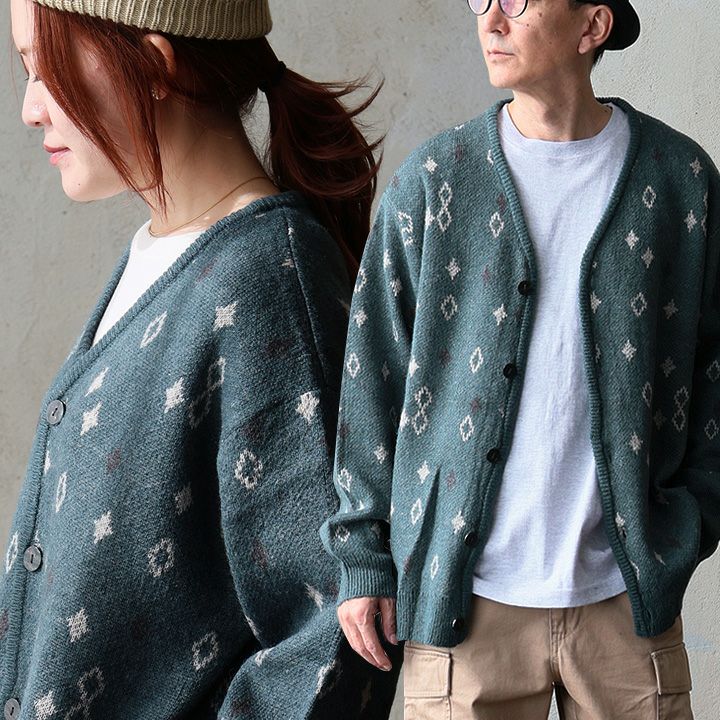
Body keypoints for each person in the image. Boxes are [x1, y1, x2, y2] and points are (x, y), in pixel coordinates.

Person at [1, 0, 401, 717]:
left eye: (45, 69)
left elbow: (334, 639)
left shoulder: (264, 280)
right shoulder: (162, 256)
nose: (31, 110)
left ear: (154, 65)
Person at [322, 0, 720, 717]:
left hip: (626, 607)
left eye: (518, 1)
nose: (490, 20)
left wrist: (690, 521)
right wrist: (363, 556)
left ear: (592, 26)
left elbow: (715, 369)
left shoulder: (680, 180)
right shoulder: (435, 180)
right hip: (465, 606)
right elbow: (372, 374)